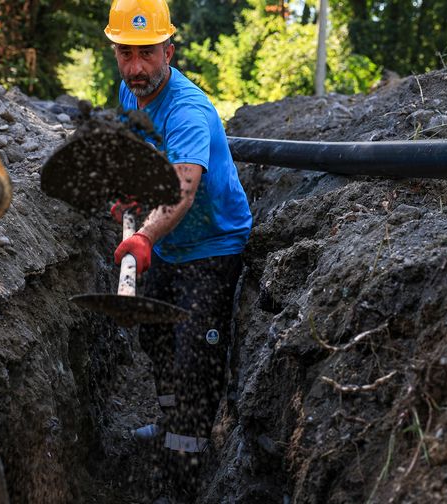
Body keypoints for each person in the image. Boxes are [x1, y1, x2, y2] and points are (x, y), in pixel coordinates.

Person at [104, 0, 252, 496]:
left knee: (195, 361)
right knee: (155, 340)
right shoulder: (130, 91)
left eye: (147, 54)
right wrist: (127, 191)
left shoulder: (188, 111)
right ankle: (170, 430)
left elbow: (183, 190)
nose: (136, 67)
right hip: (169, 243)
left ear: (169, 50)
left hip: (212, 245)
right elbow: (137, 152)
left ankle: (184, 471)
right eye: (126, 54)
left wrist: (143, 235)